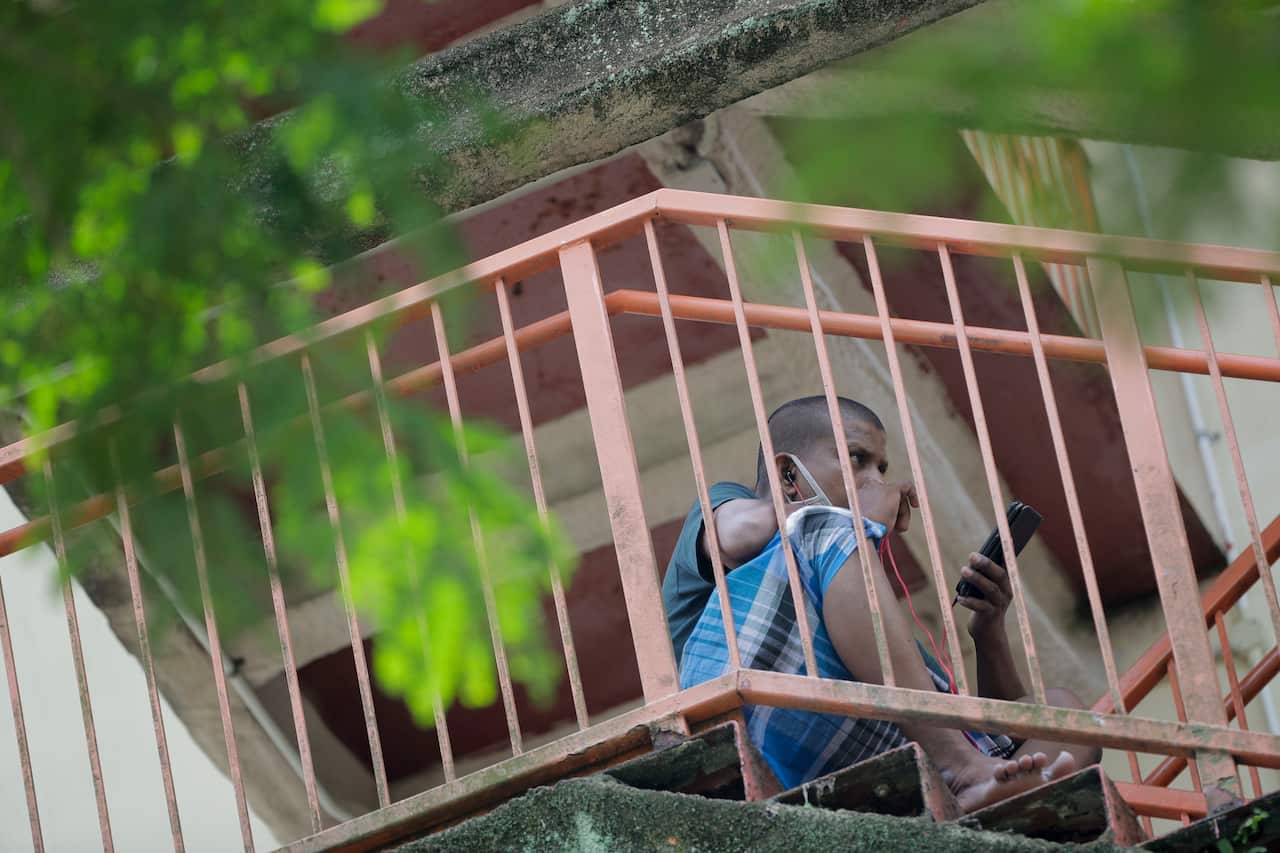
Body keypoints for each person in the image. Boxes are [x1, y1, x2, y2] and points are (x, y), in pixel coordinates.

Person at [661, 395, 1100, 812]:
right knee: (824, 528)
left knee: (1065, 712)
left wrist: (989, 635)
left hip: (880, 760)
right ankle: (961, 773)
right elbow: (737, 533)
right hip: (747, 724)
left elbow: (991, 734)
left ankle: (964, 794)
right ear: (787, 475)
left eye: (881, 467)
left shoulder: (865, 626)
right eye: (857, 459)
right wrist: (850, 516)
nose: (877, 480)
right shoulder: (736, 510)